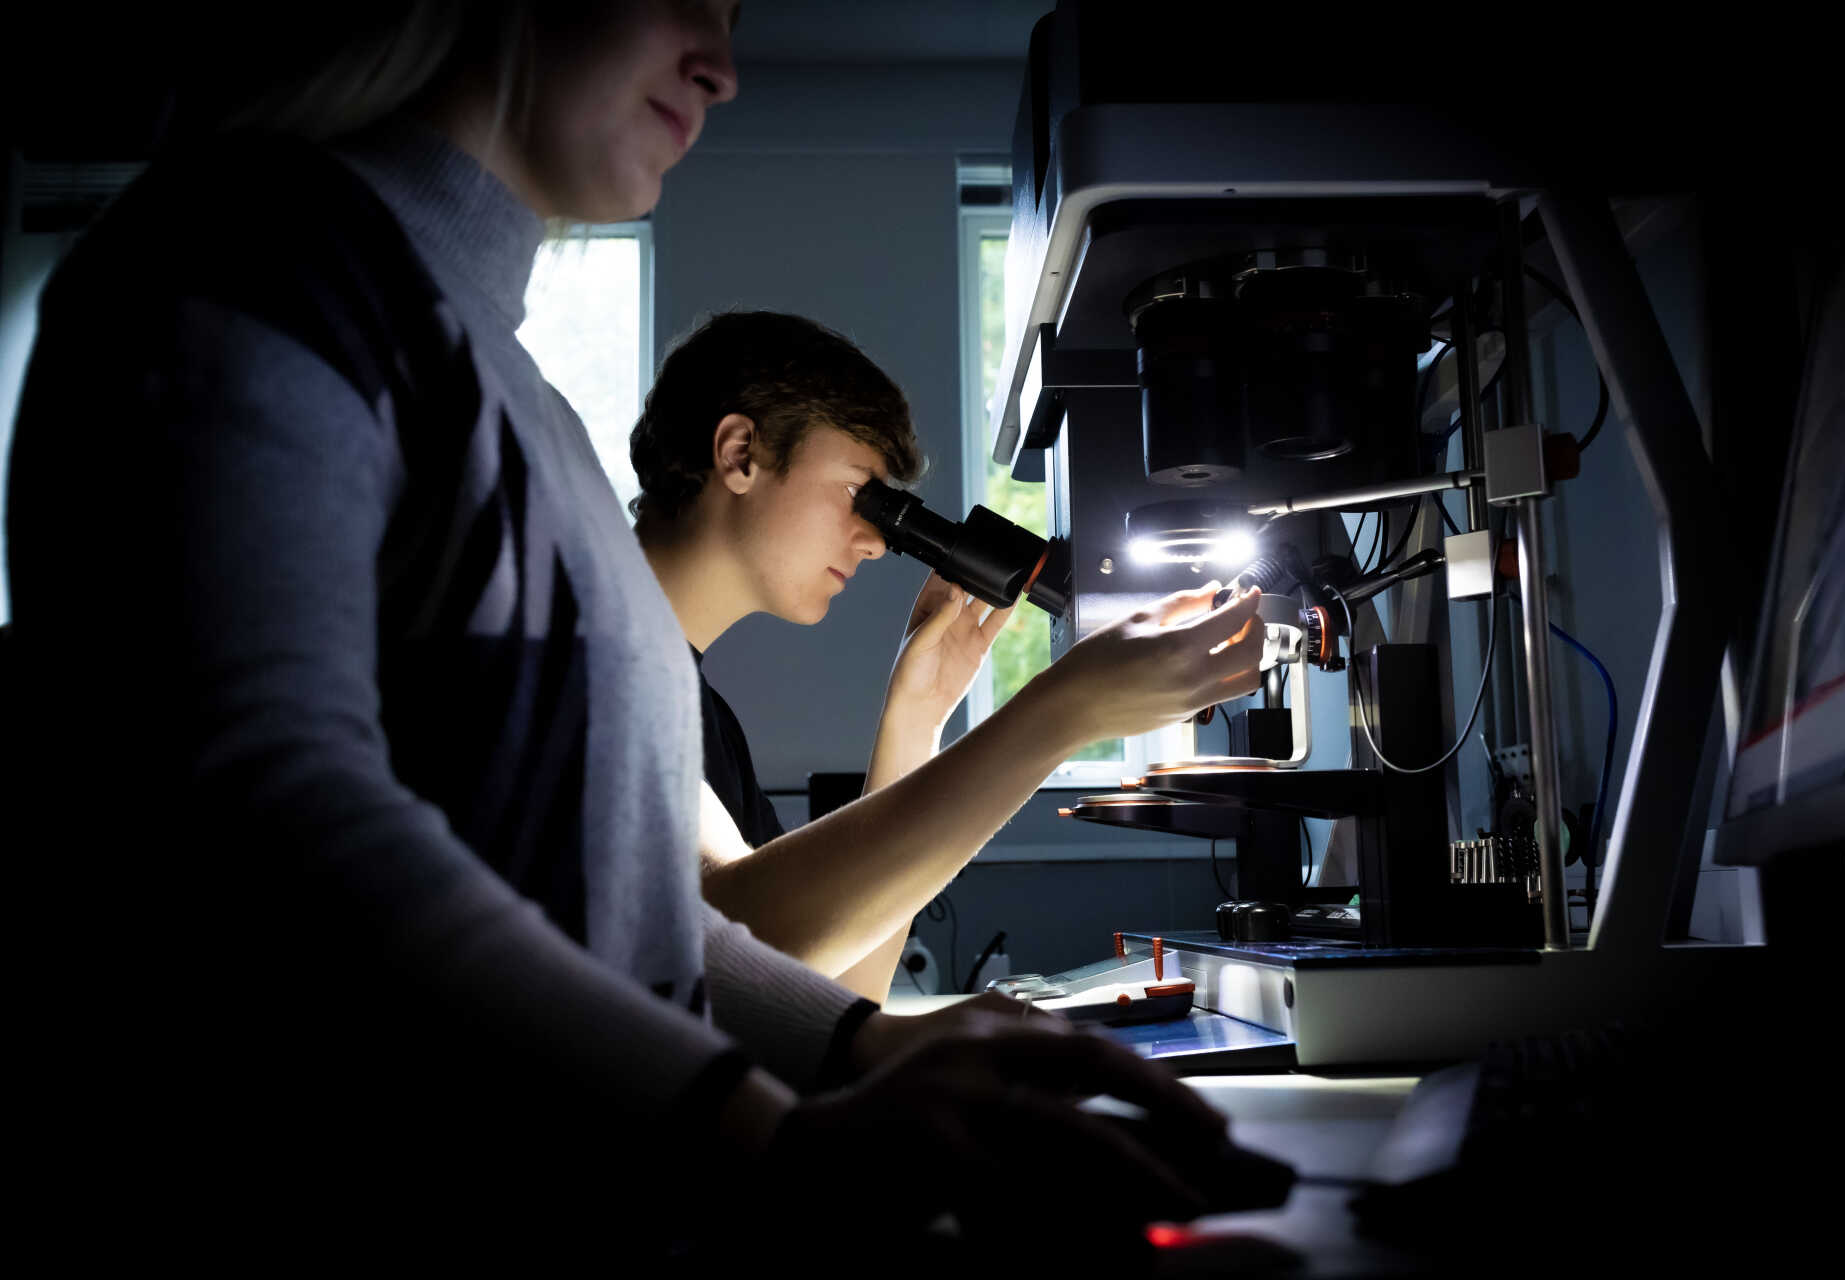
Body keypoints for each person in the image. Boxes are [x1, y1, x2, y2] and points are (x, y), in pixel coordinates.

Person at [6, 1, 1265, 1258]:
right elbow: (267, 816)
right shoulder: (245, 263)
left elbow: (632, 916)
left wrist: (857, 1044)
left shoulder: (522, 407)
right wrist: (774, 1133)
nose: (722, 65)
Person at [632, 309, 1253, 1001]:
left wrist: (916, 719)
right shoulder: (590, 659)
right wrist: (1061, 713)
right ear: (740, 453)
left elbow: (825, 988)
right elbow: (737, 949)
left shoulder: (690, 706)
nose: (874, 542)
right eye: (859, 493)